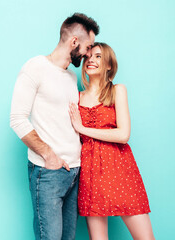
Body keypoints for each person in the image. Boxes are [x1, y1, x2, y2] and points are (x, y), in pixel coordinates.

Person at [10, 13, 99, 240]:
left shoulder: (70, 77)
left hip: (75, 172)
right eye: (88, 47)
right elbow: (17, 119)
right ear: (74, 42)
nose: (89, 54)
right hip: (48, 173)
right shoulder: (35, 67)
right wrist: (48, 155)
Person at [69, 42, 155, 240]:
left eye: (98, 56)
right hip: (90, 174)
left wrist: (82, 128)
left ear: (109, 65)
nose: (91, 60)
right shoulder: (76, 96)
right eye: (88, 57)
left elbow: (123, 135)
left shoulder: (117, 90)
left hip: (120, 170)